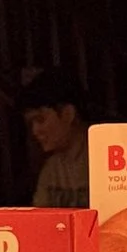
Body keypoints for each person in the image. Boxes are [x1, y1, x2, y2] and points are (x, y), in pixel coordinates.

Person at [20, 70, 88, 208]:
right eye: (31, 123)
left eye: (40, 119)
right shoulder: (51, 169)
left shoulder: (106, 158)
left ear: (68, 114)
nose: (35, 131)